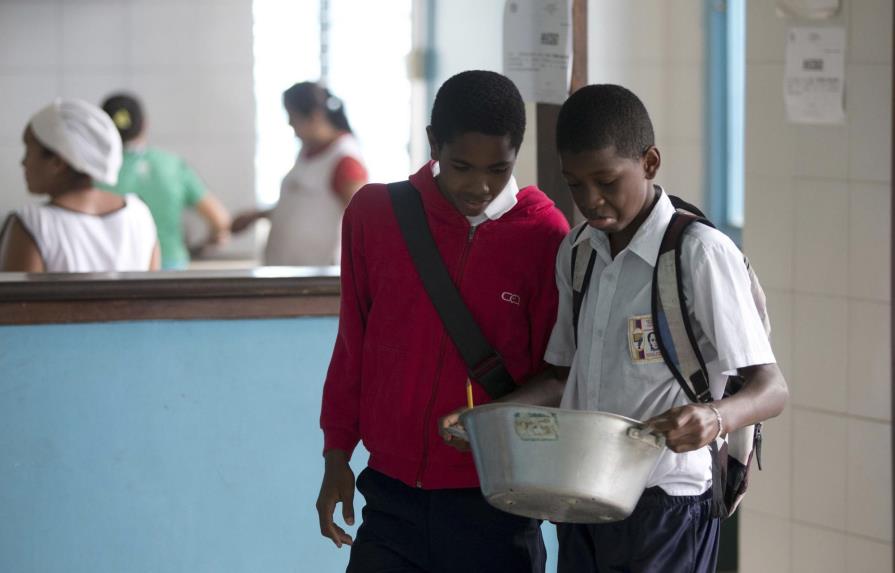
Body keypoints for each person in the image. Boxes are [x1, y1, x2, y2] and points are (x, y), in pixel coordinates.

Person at [441, 84, 789, 572]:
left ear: (649, 163)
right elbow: (562, 377)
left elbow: (771, 389)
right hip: (584, 498)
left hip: (669, 502)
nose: (591, 199)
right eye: (575, 184)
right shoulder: (579, 251)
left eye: (606, 180)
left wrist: (714, 417)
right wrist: (488, 420)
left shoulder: (698, 253)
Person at [317, 70, 570, 572]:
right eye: (461, 166)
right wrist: (336, 453)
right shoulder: (376, 215)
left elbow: (557, 372)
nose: (479, 185)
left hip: (498, 503)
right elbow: (353, 344)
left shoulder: (545, 234)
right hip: (389, 499)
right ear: (434, 144)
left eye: (498, 169)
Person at [0, 98, 159, 273]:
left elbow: (17, 300)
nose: (23, 162)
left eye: (29, 150)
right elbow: (151, 296)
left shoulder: (32, 224)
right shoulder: (139, 214)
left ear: (57, 162)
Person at [232, 82, 368, 266]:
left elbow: (363, 221)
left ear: (315, 116)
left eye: (292, 117)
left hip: (317, 275)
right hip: (283, 269)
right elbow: (306, 207)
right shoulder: (306, 154)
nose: (289, 123)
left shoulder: (345, 160)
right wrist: (259, 215)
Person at [100, 93, 231, 270]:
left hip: (116, 271)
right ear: (145, 124)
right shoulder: (172, 166)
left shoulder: (95, 173)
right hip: (170, 270)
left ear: (101, 128)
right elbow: (220, 220)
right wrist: (204, 244)